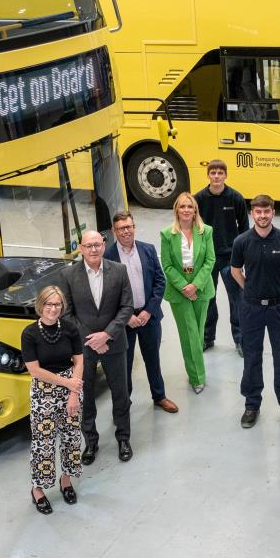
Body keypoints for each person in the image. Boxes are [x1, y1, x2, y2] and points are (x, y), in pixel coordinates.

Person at [62, 230, 134, 465]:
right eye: (88, 245)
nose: (94, 249)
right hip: (84, 348)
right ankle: (90, 442)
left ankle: (123, 438)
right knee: (86, 396)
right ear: (80, 248)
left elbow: (126, 307)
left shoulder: (119, 271)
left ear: (104, 245)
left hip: (114, 343)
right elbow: (67, 313)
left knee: (121, 393)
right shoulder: (68, 275)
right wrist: (93, 340)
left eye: (98, 244)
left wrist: (107, 335)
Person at [230, 194, 280, 429]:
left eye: (267, 211)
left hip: (279, 307)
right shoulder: (242, 241)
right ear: (252, 214)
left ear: (273, 212)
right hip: (251, 308)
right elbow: (235, 270)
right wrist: (249, 289)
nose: (262, 216)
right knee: (252, 356)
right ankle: (252, 405)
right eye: (258, 212)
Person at [20, 286, 84, 515]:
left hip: (71, 387)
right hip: (44, 391)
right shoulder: (29, 334)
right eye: (49, 304)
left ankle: (65, 481)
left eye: (57, 304)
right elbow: (35, 371)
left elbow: (79, 361)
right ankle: (37, 490)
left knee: (71, 438)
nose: (53, 309)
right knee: (43, 444)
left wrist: (74, 393)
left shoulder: (70, 329)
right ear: (40, 305)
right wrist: (67, 384)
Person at [105, 211, 177, 414]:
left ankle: (159, 396)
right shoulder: (108, 257)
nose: (126, 231)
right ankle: (123, 402)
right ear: (114, 231)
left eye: (129, 227)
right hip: (123, 322)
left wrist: (148, 311)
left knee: (152, 358)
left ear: (134, 227)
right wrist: (126, 317)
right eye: (121, 228)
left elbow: (159, 281)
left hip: (149, 318)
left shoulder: (148, 249)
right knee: (124, 364)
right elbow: (107, 293)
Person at [158, 192, 217, 394]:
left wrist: (195, 285)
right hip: (178, 292)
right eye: (182, 206)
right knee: (189, 334)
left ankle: (195, 369)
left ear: (195, 211)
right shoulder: (167, 234)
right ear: (176, 210)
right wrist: (184, 286)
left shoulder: (206, 231)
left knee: (198, 334)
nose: (186, 210)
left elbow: (210, 260)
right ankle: (197, 377)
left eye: (189, 207)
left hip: (201, 290)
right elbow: (166, 265)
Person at [195, 160, 251, 355]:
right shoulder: (199, 199)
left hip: (230, 259)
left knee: (237, 299)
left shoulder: (236, 198)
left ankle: (240, 340)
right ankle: (207, 338)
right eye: (213, 173)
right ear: (208, 175)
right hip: (207, 259)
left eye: (220, 173)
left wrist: (242, 256)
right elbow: (194, 228)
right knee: (208, 299)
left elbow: (244, 229)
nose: (216, 176)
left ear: (226, 175)